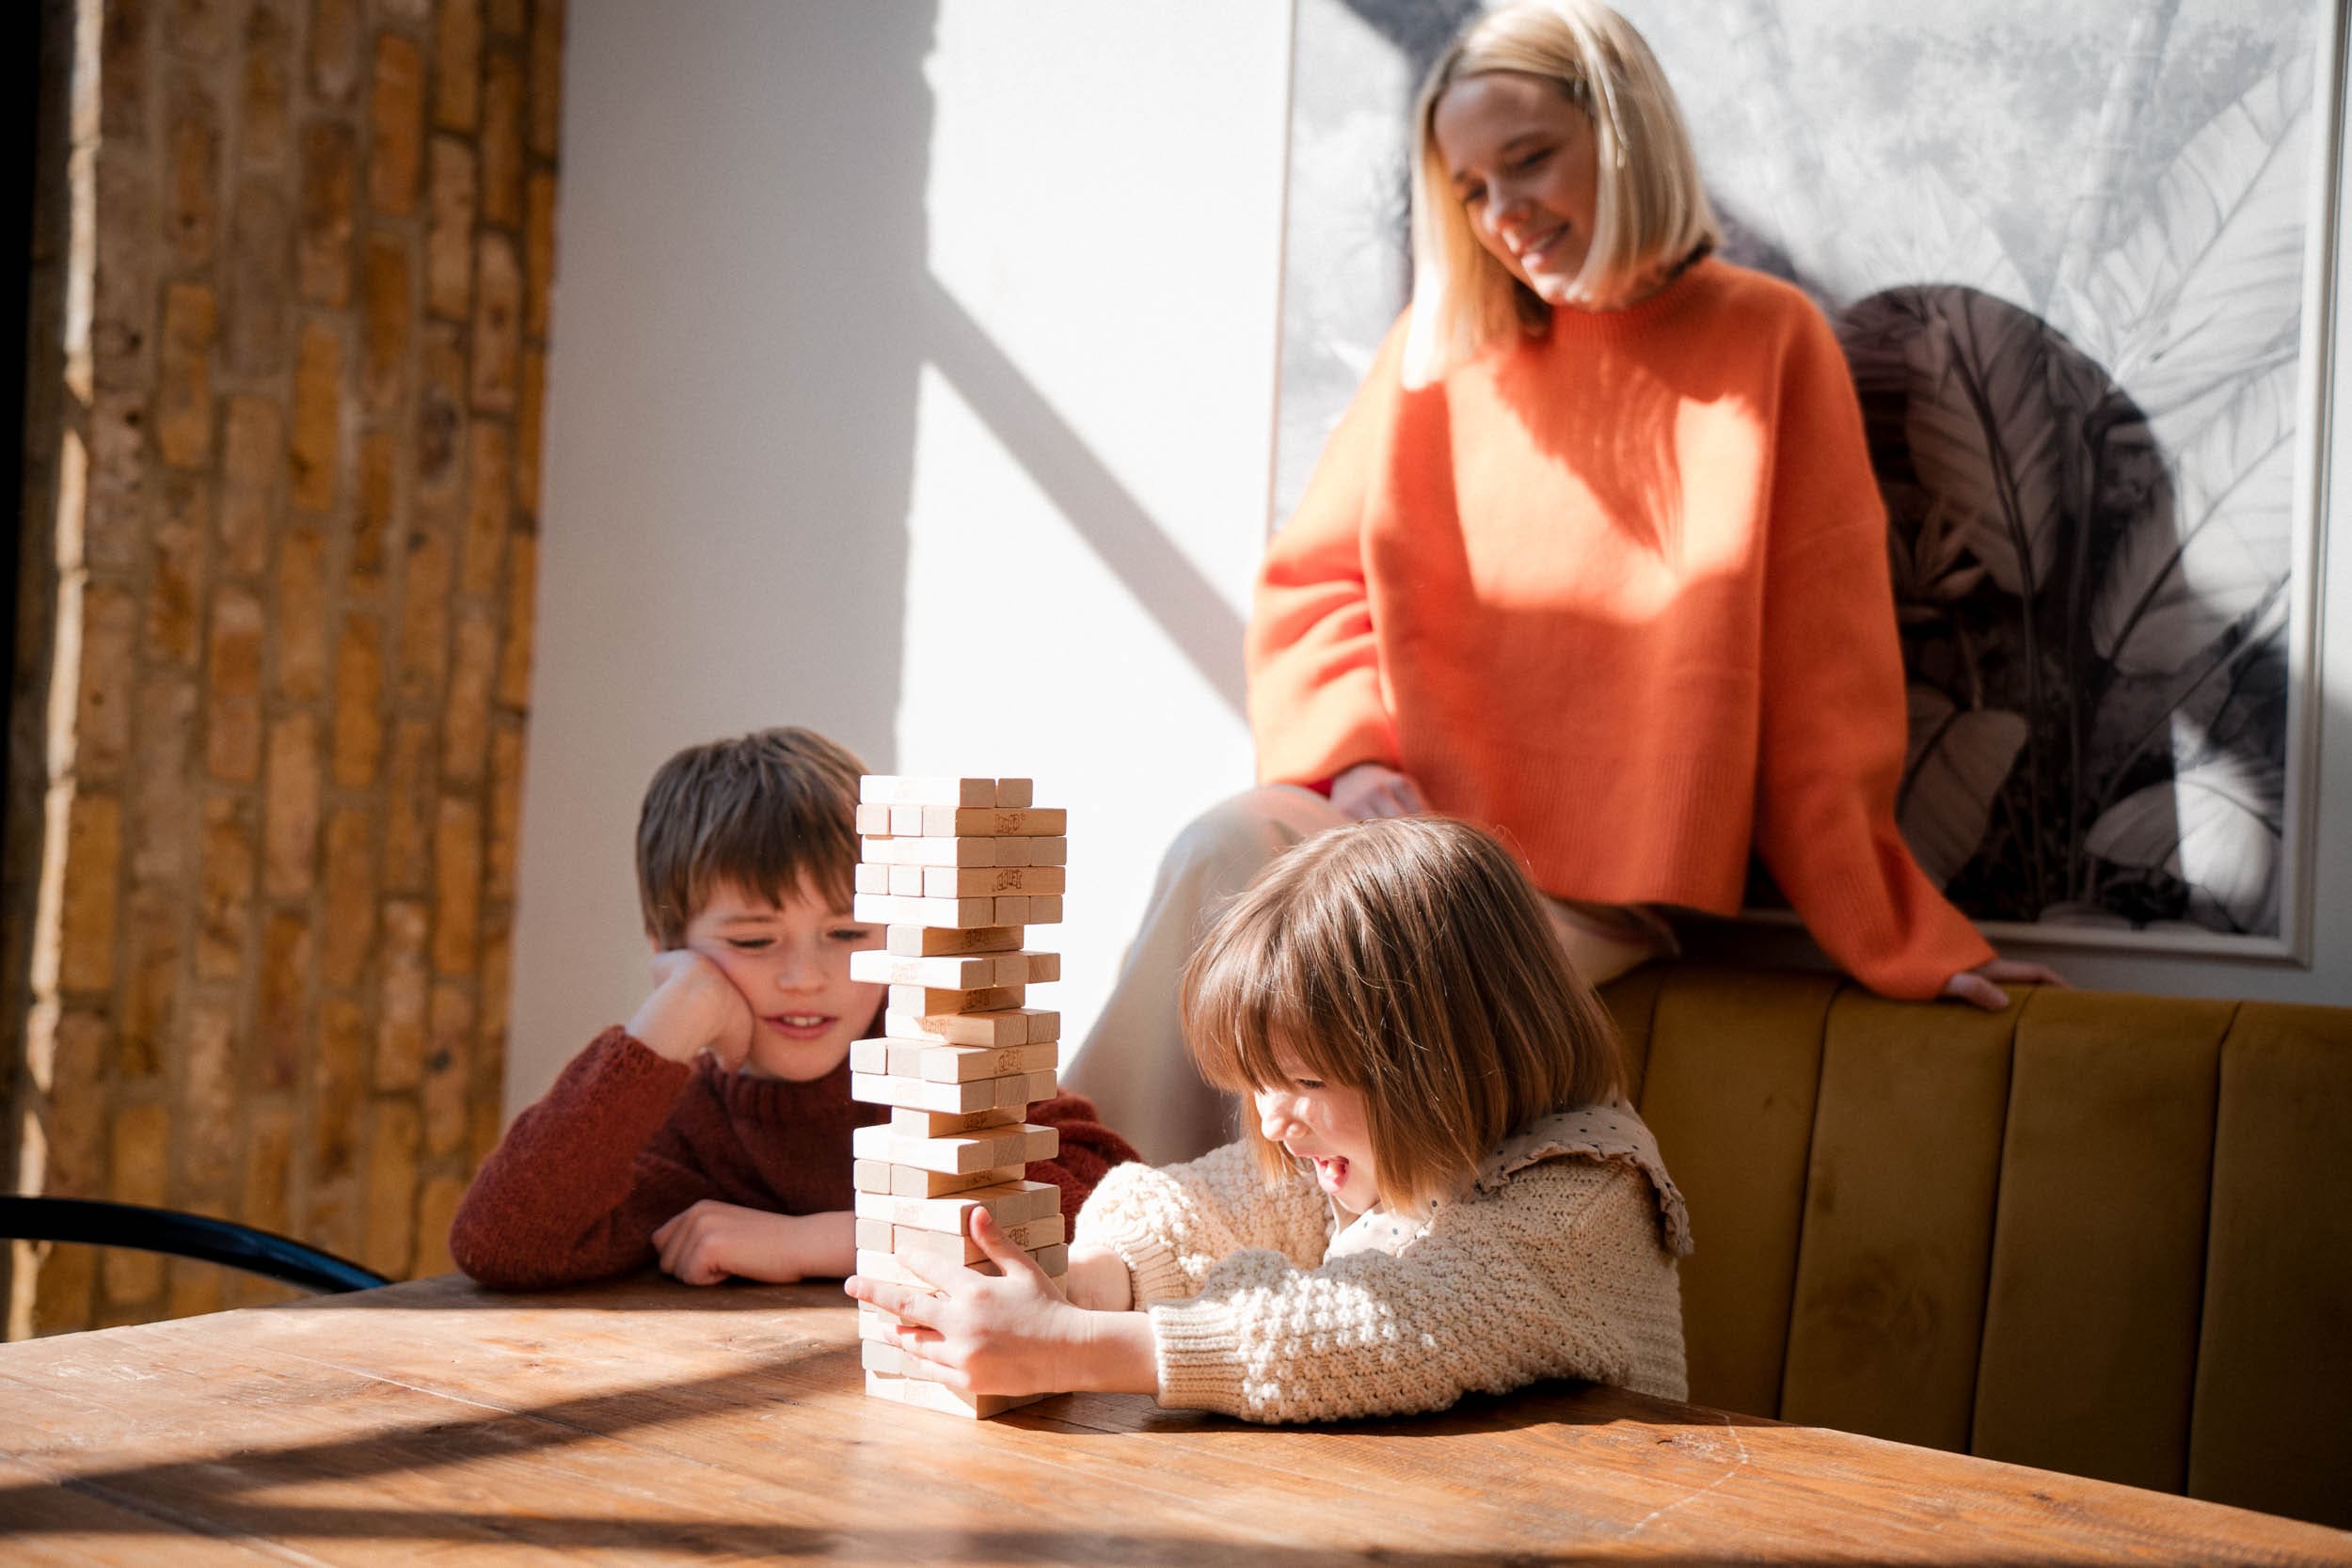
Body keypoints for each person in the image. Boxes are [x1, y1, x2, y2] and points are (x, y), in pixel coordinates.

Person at [1068, 0, 2057, 1164]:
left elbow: (1822, 675)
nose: (1502, 215)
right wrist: (1358, 757)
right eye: (1471, 188)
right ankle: (1060, 1196)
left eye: (1527, 160)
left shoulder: (1766, 343)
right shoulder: (1439, 348)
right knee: (1218, 848)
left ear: (1623, 129)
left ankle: (1191, 1293)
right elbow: (1316, 585)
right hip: (1394, 833)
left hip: (1581, 892)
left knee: (1349, 965)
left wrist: (1906, 937)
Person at [848, 815, 1690, 1421]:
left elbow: (1375, 1328)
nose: (1279, 1121)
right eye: (1257, 1082)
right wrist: (1075, 1284)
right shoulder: (1361, 1149)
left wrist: (1071, 1343)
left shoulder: (1577, 1207)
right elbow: (1198, 1205)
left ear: (1450, 1059)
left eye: (1307, 1078)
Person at [450, 727, 1136, 1291]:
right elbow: (503, 1243)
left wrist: (821, 1240)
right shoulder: (686, 1120)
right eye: (753, 940)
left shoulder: (933, 1044)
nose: (806, 977)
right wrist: (674, 1012)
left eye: (847, 934)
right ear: (667, 947)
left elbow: (1103, 1204)